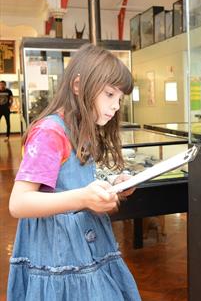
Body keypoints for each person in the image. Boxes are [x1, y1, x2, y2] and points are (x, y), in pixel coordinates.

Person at [8, 43, 141, 300]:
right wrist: (83, 198)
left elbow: (71, 180)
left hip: (84, 242)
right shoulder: (50, 132)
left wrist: (112, 184)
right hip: (58, 250)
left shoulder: (81, 128)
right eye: (109, 94)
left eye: (120, 99)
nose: (115, 106)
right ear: (78, 86)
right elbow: (19, 203)